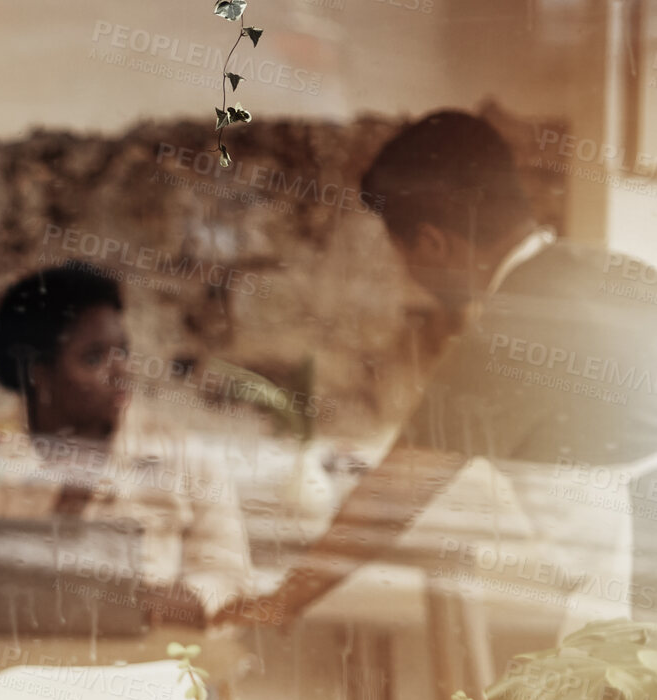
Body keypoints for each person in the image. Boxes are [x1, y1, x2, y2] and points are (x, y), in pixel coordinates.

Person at [219, 111, 657, 634]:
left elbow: (391, 496)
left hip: (633, 618)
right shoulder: (617, 273)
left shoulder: (508, 329)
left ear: (432, 243)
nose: (405, 272)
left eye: (399, 250)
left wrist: (282, 601)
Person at [0, 263, 253, 630]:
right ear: (39, 372)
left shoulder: (185, 458)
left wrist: (170, 603)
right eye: (94, 358)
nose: (121, 370)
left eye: (123, 351)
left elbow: (228, 575)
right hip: (8, 672)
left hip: (146, 672)